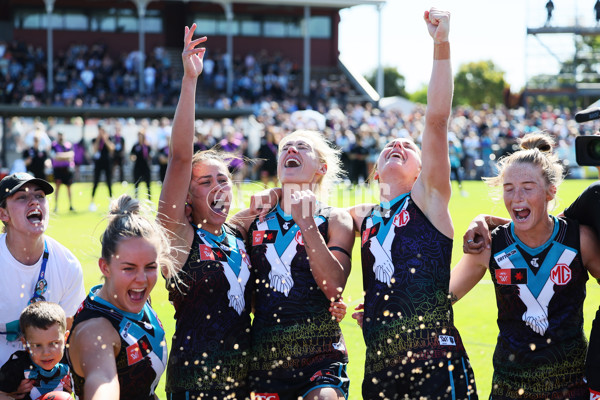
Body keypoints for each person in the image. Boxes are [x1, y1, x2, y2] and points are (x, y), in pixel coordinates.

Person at [349, 9, 477, 399]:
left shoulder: (428, 199)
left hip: (436, 362)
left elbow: (436, 121)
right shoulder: (360, 218)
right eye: (389, 145)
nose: (398, 144)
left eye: (408, 146)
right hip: (381, 364)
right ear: (374, 174)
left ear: (426, 171)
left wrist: (441, 44)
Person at [452, 133, 600, 399]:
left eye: (528, 187)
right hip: (509, 389)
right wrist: (381, 307)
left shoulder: (580, 240)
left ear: (550, 191)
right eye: (508, 188)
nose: (517, 197)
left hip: (572, 390)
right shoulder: (490, 245)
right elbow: (442, 297)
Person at [157, 24, 253, 400]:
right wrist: (190, 81)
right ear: (187, 197)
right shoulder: (178, 235)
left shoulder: (236, 234)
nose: (218, 188)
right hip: (194, 382)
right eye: (205, 182)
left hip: (245, 379)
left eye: (224, 179)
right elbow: (181, 159)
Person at [67, 194, 174, 399]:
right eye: (129, 268)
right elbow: (103, 383)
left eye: (150, 267)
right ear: (105, 267)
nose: (142, 279)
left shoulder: (133, 300)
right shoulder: (95, 332)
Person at [0, 172, 85, 399]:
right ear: (3, 213)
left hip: (46, 381)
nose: (34, 201)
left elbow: (70, 338)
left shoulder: (67, 265)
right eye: (21, 197)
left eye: (39, 195)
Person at [0, 302, 72, 400]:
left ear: (65, 339)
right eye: (37, 345)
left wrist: (77, 389)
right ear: (25, 344)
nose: (46, 352)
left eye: (54, 343)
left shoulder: (72, 363)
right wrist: (13, 392)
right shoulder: (17, 366)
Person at [89, 123, 114, 212]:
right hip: (98, 163)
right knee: (95, 182)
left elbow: (111, 148)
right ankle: (92, 202)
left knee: (109, 183)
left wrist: (105, 139)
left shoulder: (108, 138)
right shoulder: (95, 139)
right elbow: (94, 149)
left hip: (107, 162)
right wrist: (99, 138)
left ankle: (111, 202)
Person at [50, 132, 75, 212]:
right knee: (57, 187)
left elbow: (71, 154)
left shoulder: (68, 145)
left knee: (69, 187)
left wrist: (60, 156)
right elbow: (55, 156)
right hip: (58, 169)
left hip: (66, 169)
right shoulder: (54, 145)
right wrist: (65, 156)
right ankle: (56, 206)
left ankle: (71, 205)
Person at [130, 128, 152, 200]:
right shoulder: (135, 146)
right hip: (137, 167)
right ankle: (136, 200)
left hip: (145, 167)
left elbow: (150, 155)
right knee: (136, 185)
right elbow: (131, 155)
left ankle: (149, 201)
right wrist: (133, 157)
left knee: (148, 185)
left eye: (141, 135)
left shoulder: (147, 146)